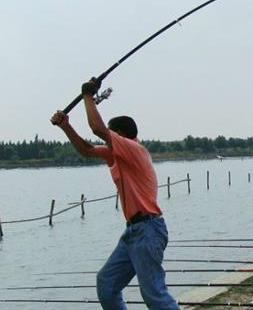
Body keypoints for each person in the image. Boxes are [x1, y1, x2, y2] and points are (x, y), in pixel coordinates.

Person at [50, 78, 179, 310]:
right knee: (107, 283)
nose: (107, 137)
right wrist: (65, 125)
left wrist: (87, 97)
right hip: (133, 231)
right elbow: (86, 150)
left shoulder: (134, 149)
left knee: (153, 293)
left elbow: (97, 129)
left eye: (111, 134)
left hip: (148, 230)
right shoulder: (116, 155)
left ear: (120, 135)